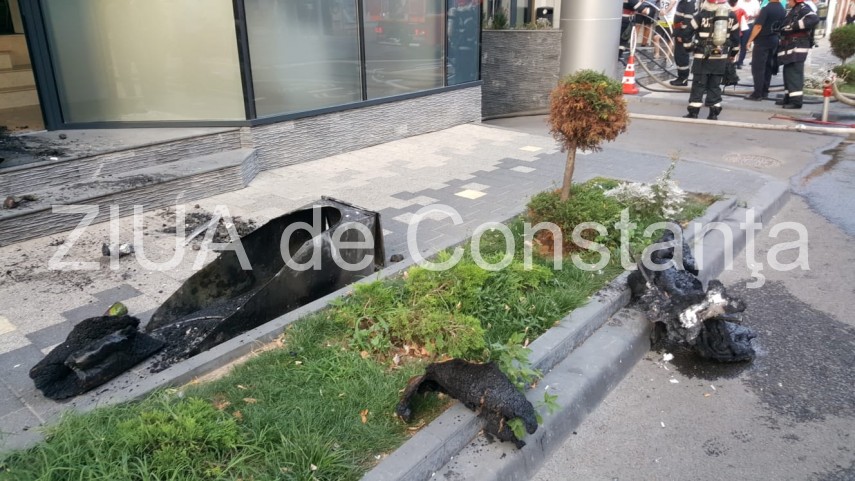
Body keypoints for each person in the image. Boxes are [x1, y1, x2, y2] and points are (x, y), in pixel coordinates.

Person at [681, 0, 740, 119]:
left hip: (702, 56)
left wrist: (689, 48)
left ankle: (694, 112)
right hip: (721, 57)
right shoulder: (731, 16)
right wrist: (732, 54)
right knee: (715, 85)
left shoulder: (701, 15)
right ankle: (714, 113)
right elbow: (736, 39)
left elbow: (686, 33)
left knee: (699, 84)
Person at [776, 0, 819, 109]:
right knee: (788, 73)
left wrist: (793, 26)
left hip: (797, 47)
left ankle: (796, 101)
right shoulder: (795, 9)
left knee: (794, 74)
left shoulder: (803, 8)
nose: (787, 1)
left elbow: (814, 19)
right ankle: (788, 97)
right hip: (790, 47)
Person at [744, 0, 786, 100]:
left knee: (758, 68)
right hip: (774, 39)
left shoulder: (766, 9)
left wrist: (750, 40)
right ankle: (764, 91)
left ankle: (757, 93)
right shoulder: (782, 9)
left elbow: (758, 26)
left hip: (763, 40)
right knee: (768, 66)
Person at [670, 0, 698, 85]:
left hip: (683, 34)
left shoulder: (689, 2)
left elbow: (687, 21)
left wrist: (682, 35)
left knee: (681, 55)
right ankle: (681, 77)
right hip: (679, 31)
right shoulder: (684, 1)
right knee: (678, 55)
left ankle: (683, 78)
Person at [736, 0, 761, 68]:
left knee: (744, 44)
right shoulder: (739, 1)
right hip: (738, 24)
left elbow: (759, 13)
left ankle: (740, 61)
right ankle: (733, 60)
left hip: (749, 24)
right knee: (736, 43)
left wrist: (752, 16)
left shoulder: (755, 2)